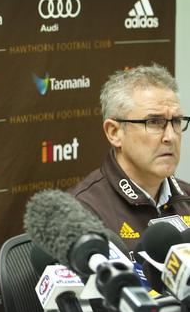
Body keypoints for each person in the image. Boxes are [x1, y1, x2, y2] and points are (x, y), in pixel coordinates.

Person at [69, 63, 190, 251]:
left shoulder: (186, 197)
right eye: (154, 122)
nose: (171, 137)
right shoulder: (82, 212)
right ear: (114, 132)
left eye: (175, 121)